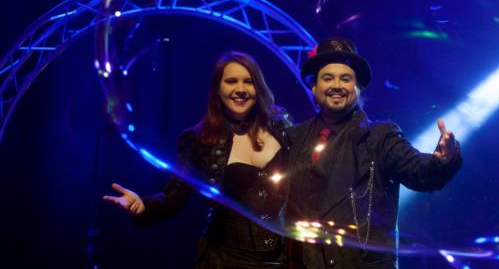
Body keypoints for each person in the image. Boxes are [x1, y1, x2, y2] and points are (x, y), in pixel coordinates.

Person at [285, 37, 462, 269]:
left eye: (346, 79)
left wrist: (442, 160)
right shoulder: (294, 138)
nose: (336, 85)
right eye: (327, 78)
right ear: (314, 87)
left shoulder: (380, 137)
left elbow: (418, 171)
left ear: (358, 88)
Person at [104, 51, 291, 268]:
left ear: (258, 87)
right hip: (224, 261)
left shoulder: (281, 126)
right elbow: (174, 197)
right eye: (231, 81)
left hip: (282, 260)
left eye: (248, 82)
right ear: (217, 89)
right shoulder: (199, 140)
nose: (240, 89)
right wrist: (143, 205)